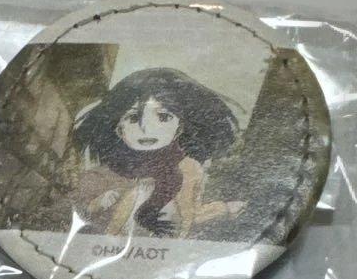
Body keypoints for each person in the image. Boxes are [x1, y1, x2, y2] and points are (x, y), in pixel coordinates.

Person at [73, 67, 245, 239]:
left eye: (163, 117)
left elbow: (189, 216)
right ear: (118, 128)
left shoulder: (187, 167)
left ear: (180, 126)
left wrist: (222, 210)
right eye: (133, 118)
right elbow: (97, 215)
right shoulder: (114, 171)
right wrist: (101, 204)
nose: (147, 128)